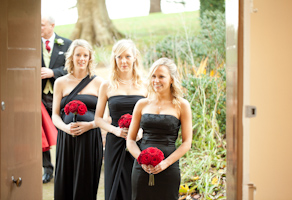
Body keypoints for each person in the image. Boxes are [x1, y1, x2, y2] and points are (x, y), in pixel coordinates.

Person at [127, 57, 193, 200]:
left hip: (169, 167)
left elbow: (187, 143)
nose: (156, 80)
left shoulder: (182, 105)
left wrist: (165, 163)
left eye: (161, 76)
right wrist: (141, 160)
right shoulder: (141, 104)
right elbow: (130, 140)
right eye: (153, 76)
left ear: (171, 79)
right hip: (141, 168)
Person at [95, 39, 147, 200]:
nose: (123, 61)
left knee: (138, 186)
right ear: (114, 59)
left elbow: (152, 116)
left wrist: (141, 131)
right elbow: (98, 119)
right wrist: (115, 130)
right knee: (114, 187)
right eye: (119, 57)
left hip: (139, 141)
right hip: (115, 143)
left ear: (135, 57)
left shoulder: (145, 85)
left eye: (127, 56)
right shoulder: (107, 85)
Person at [52, 39, 104, 200]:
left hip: (90, 139)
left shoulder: (100, 83)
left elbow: (105, 117)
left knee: (86, 181)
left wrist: (89, 125)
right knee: (65, 180)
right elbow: (55, 115)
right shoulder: (60, 82)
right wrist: (66, 128)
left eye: (85, 55)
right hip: (66, 139)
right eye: (78, 55)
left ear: (90, 58)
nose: (82, 59)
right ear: (71, 57)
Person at [41, 14, 72, 183]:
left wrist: (54, 73)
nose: (39, 28)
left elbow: (72, 68)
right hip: (39, 97)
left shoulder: (67, 44)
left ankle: (63, 167)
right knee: (42, 135)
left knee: (62, 132)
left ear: (52, 25)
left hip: (61, 97)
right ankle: (47, 169)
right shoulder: (31, 44)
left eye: (42, 25)